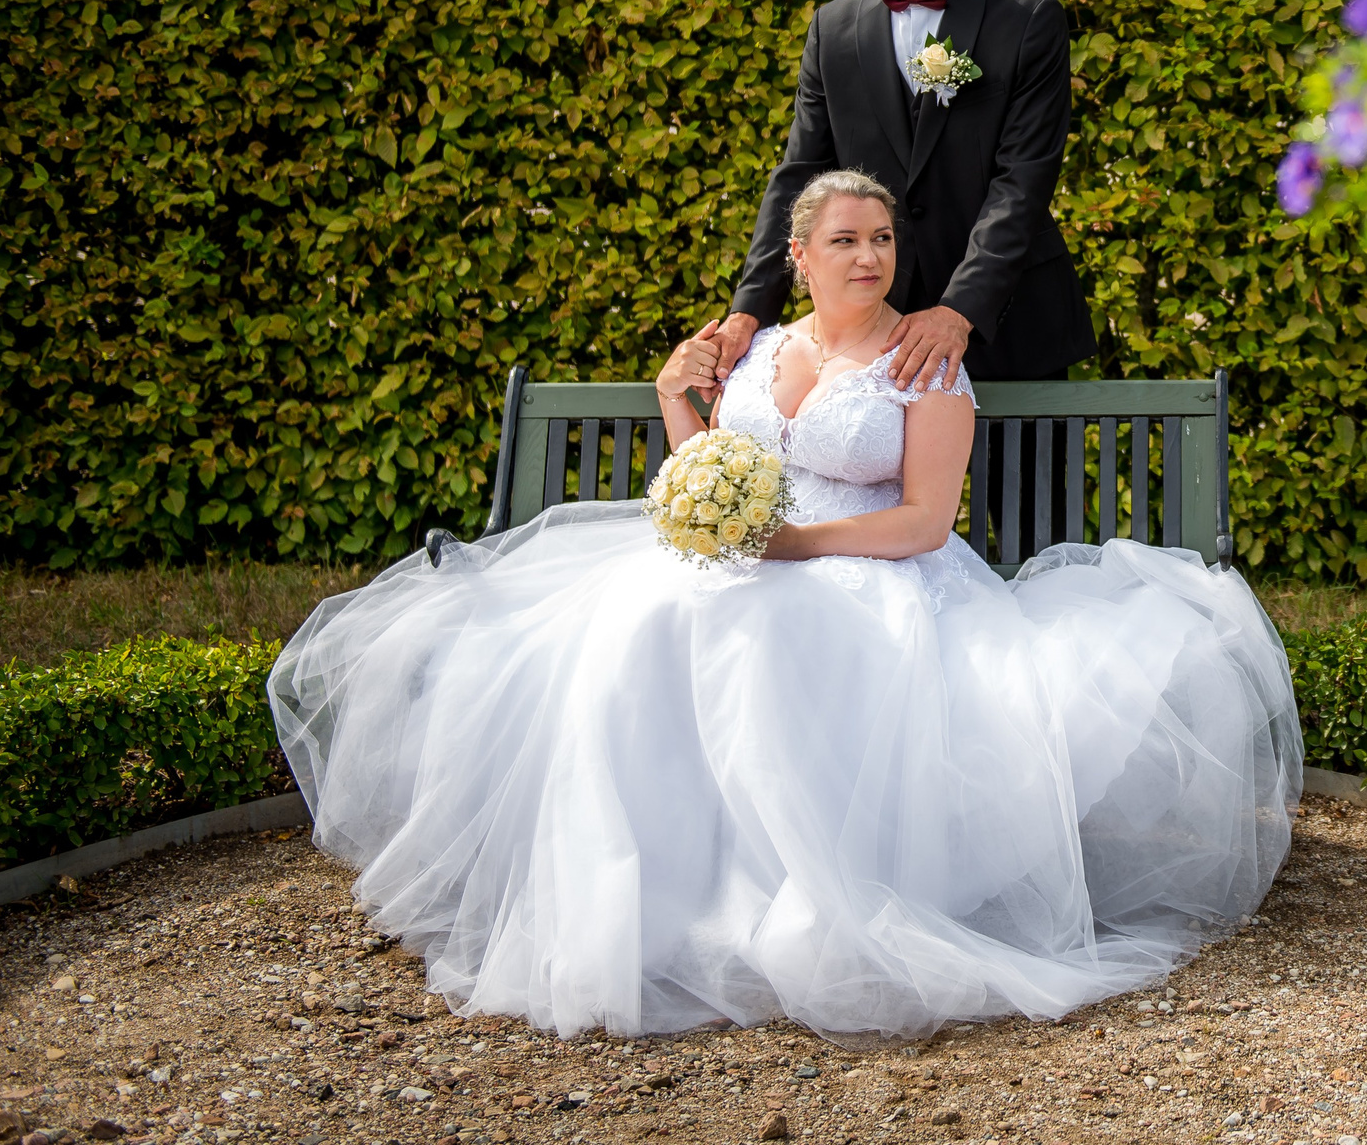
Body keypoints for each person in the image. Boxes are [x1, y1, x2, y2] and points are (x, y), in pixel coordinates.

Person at [268, 170, 1300, 1042]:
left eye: (882, 239)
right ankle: (656, 898)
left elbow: (923, 521)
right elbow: (714, 475)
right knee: (641, 620)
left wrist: (797, 545)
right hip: (748, 557)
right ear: (798, 256)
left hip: (875, 567)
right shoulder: (759, 351)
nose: (870, 256)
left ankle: (780, 904)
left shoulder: (925, 362)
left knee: (765, 631)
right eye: (845, 240)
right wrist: (675, 400)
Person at [705, 0, 1095, 397]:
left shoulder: (1029, 20)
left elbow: (1022, 183)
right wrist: (748, 312)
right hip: (875, 342)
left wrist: (958, 311)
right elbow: (800, 178)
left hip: (1012, 333)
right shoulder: (833, 30)